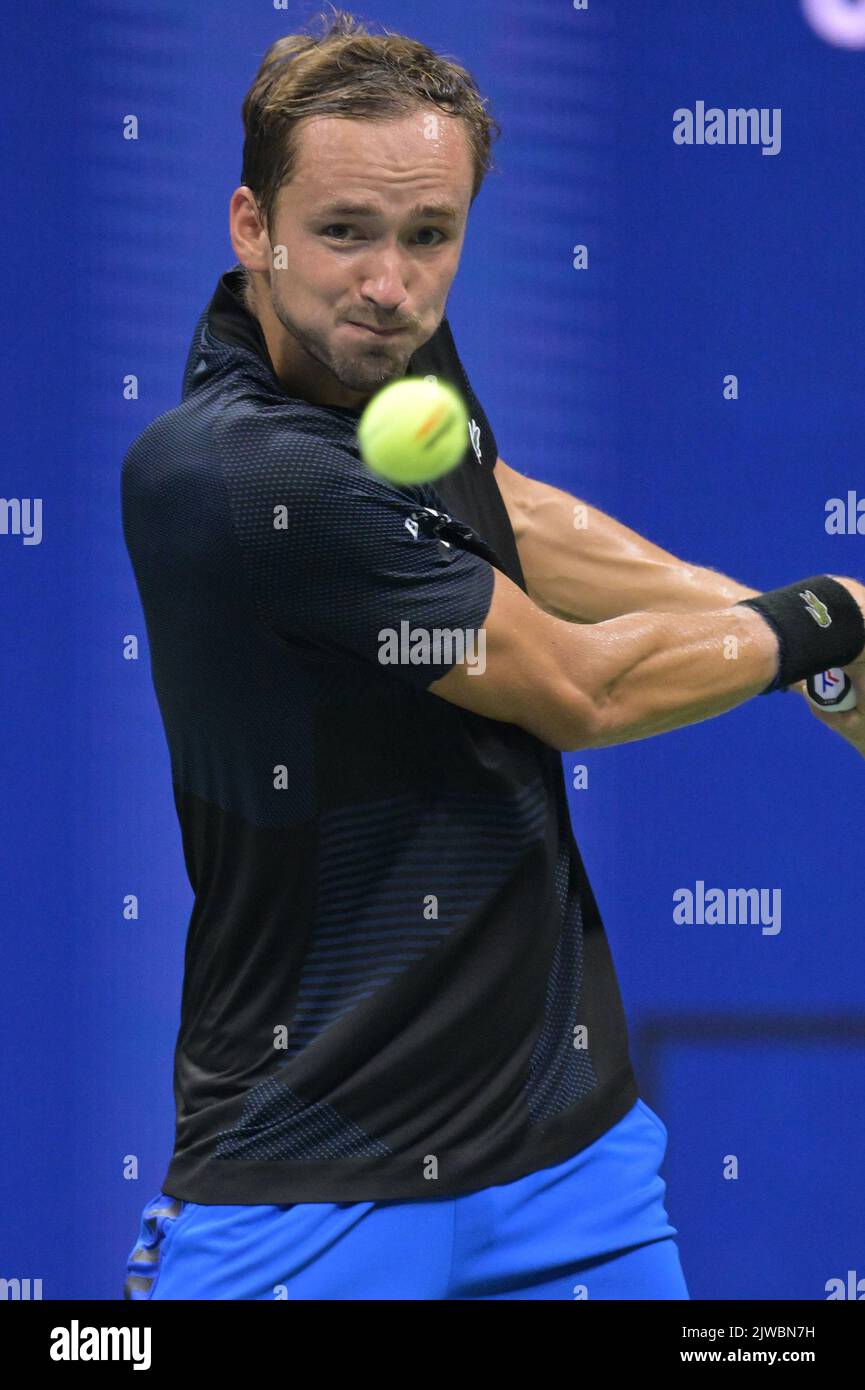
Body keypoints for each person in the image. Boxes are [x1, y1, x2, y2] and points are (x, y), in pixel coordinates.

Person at [121, 9, 865, 1301]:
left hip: (565, 1162)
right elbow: (584, 688)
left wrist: (779, 635)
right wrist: (828, 613)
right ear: (253, 226)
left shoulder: (384, 352)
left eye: (429, 236)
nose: (390, 283)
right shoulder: (243, 474)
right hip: (310, 1189)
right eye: (344, 231)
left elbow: (496, 508)